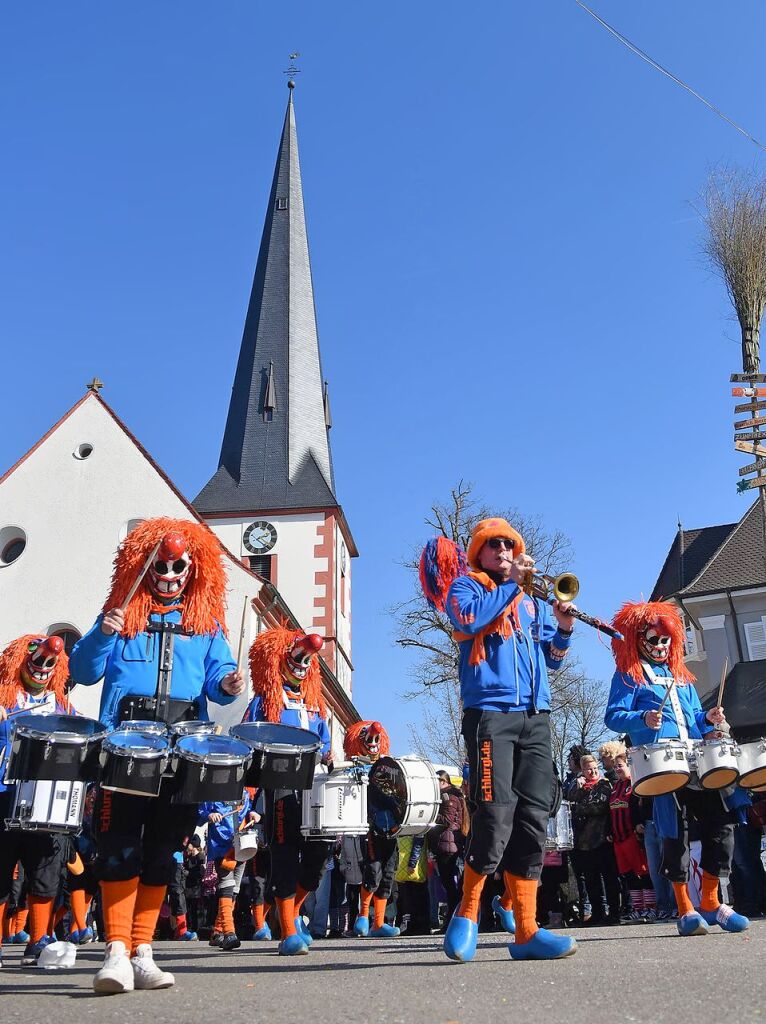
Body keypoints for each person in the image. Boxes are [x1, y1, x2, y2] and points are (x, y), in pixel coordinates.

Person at [69, 518, 245, 993]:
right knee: (119, 845)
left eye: (178, 567)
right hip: (124, 745)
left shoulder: (206, 626)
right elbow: (83, 671)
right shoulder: (121, 612)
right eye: (161, 566)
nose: (168, 574)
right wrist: (103, 633)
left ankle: (143, 950)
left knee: (163, 847)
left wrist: (228, 684)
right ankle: (116, 951)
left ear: (193, 569)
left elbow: (219, 679)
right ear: (145, 566)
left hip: (182, 748)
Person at [421, 521, 578, 962]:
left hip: (536, 716)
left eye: (511, 544)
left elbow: (554, 661)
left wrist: (563, 628)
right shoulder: (466, 588)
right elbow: (468, 618)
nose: (505, 549)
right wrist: (510, 585)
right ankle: (467, 910)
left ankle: (527, 930)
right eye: (495, 544)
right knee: (494, 816)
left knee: (534, 818)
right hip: (490, 713)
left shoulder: (531, 602)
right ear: (479, 552)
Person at [605, 600, 749, 937]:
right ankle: (685, 908)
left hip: (698, 759)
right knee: (676, 834)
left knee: (723, 825)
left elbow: (694, 718)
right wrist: (642, 717)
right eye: (652, 640)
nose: (659, 646)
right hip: (663, 763)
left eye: (664, 640)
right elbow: (613, 716)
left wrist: (709, 719)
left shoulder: (680, 676)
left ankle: (712, 902)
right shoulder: (630, 676)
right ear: (638, 640)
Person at [242, 626, 331, 956]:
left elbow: (324, 740)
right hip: (278, 785)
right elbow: (246, 739)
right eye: (295, 657)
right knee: (283, 856)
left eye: (307, 660)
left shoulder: (313, 705)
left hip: (311, 787)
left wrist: (329, 753)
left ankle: (290, 914)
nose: (300, 663)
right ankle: (288, 930)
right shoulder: (264, 702)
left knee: (318, 857)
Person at [0, 634, 72, 968]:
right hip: (4, 797)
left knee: (46, 868)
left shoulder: (61, 707)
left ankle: (39, 938)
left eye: (49, 662)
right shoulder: (4, 698)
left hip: (45, 802)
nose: (43, 664)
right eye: (37, 658)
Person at [343, 721, 401, 939]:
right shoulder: (355, 767)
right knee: (373, 872)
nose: (373, 743)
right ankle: (363, 916)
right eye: (369, 740)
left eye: (377, 739)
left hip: (391, 828)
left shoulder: (389, 766)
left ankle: (378, 923)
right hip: (370, 827)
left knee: (388, 874)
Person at [568, 755, 620, 925]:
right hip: (584, 842)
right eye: (589, 769)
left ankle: (614, 913)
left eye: (595, 768)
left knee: (609, 878)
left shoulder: (604, 784)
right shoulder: (580, 786)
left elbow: (599, 806)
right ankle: (597, 913)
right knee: (591, 880)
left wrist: (580, 807)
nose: (593, 772)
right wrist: (579, 789)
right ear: (583, 771)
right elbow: (570, 802)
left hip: (602, 838)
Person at [608, 747, 656, 922]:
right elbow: (610, 811)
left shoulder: (634, 784)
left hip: (632, 836)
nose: (618, 769)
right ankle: (638, 908)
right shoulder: (615, 787)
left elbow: (638, 808)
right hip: (618, 838)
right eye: (615, 767)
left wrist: (639, 824)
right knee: (628, 874)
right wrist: (609, 832)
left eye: (620, 765)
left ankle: (650, 908)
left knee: (642, 872)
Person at [428, 771, 469, 928]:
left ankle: (453, 920)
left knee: (450, 886)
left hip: (447, 845)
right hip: (449, 844)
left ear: (442, 781)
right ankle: (453, 918)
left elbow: (447, 819)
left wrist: (430, 816)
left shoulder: (448, 796)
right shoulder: (453, 795)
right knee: (451, 885)